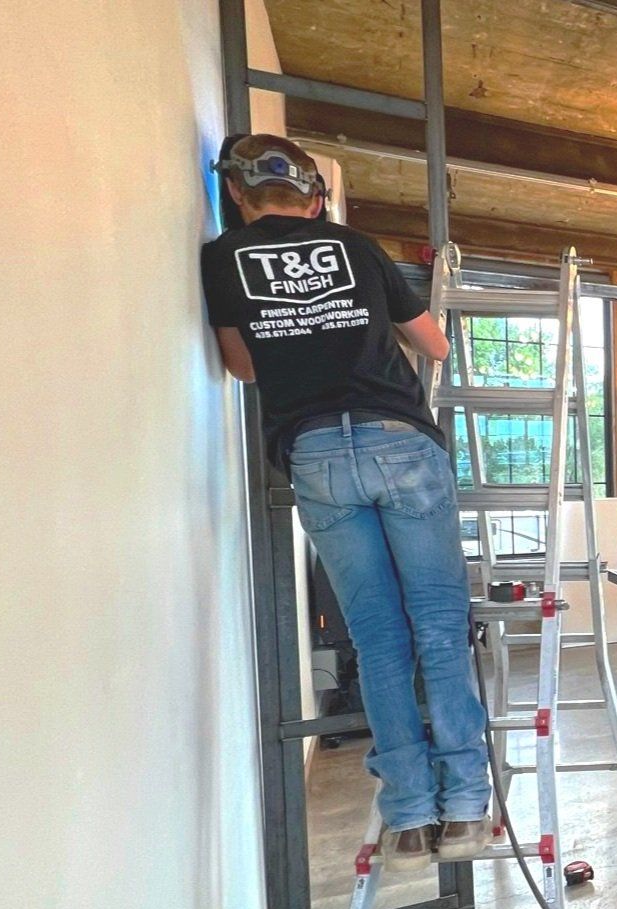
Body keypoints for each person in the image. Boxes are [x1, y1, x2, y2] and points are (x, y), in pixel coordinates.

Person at [201, 134, 490, 868]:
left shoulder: (221, 257)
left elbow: (240, 366)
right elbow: (435, 347)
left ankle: (410, 818)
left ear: (238, 194)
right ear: (315, 194)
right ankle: (463, 809)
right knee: (438, 626)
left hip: (316, 453)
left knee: (378, 639)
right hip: (399, 443)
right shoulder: (353, 246)